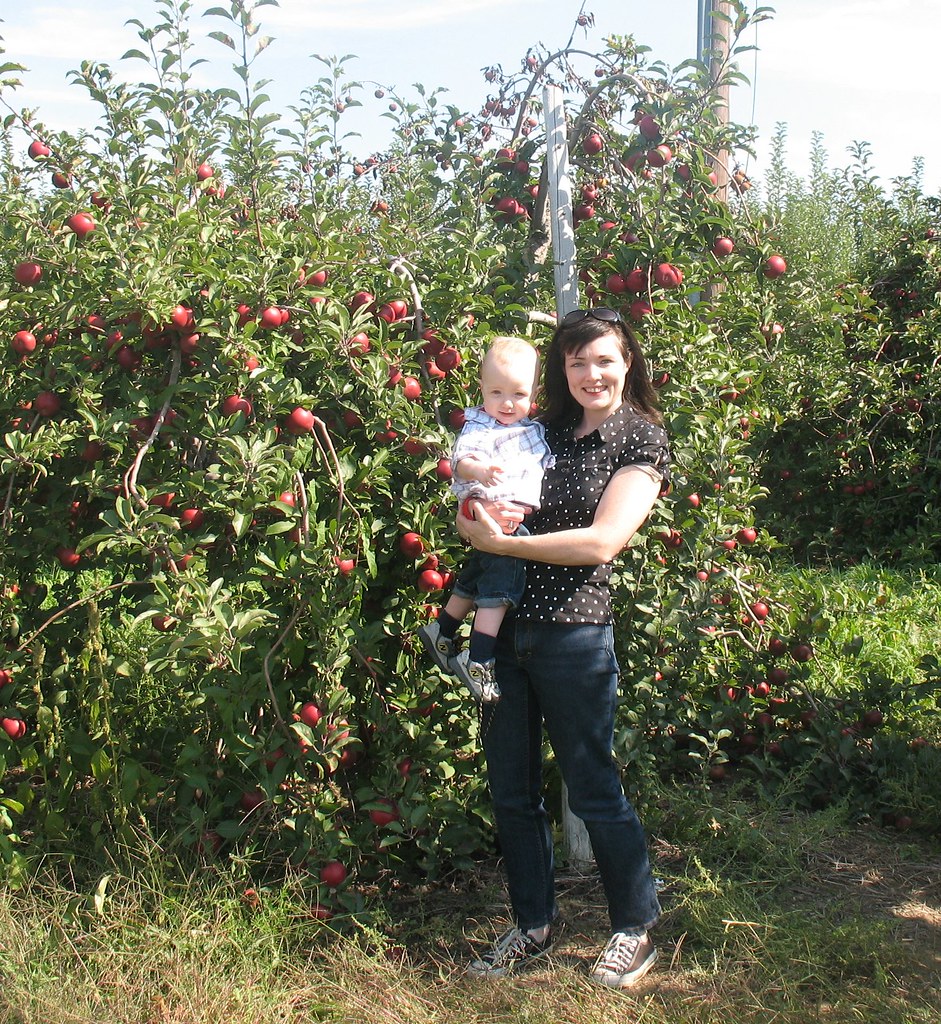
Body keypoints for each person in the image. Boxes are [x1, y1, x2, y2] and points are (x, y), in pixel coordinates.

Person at [455, 307, 670, 990]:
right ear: (562, 369)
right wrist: (474, 515)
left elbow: (603, 541)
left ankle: (633, 928)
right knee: (511, 789)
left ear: (625, 361)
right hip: (506, 629)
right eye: (576, 362)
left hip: (574, 634)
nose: (590, 374)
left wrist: (503, 545)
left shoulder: (639, 440)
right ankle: (533, 924)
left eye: (602, 359)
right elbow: (477, 497)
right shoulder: (540, 428)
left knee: (592, 787)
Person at [419, 336, 553, 702]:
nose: (507, 404)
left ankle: (442, 631)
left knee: (475, 578)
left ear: (533, 393)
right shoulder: (481, 426)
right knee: (499, 595)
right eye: (496, 393)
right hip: (499, 519)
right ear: (481, 389)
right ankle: (478, 661)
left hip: (508, 516)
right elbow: (459, 461)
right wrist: (478, 471)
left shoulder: (530, 428)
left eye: (518, 395)